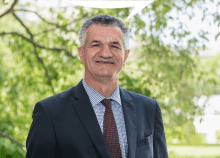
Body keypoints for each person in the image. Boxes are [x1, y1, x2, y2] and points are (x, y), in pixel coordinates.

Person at [26, 14, 168, 158]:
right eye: (96, 45)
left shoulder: (149, 109)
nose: (106, 53)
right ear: (81, 53)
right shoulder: (50, 113)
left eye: (114, 46)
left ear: (125, 56)